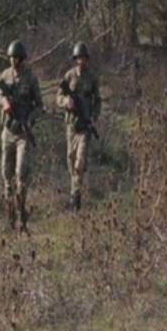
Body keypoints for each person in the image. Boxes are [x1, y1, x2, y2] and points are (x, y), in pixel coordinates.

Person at [0, 40, 43, 230]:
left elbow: (40, 106)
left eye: (17, 58)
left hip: (23, 133)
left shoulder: (31, 78)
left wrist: (30, 120)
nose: (14, 61)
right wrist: (3, 103)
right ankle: (9, 217)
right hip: (8, 131)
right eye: (11, 57)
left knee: (21, 175)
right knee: (7, 175)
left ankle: (21, 215)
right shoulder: (5, 76)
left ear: (22, 59)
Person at [56, 42, 101, 211]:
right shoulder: (69, 76)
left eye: (84, 58)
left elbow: (98, 101)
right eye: (79, 58)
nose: (81, 61)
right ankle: (74, 192)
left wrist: (94, 116)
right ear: (75, 59)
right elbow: (58, 96)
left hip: (85, 126)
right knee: (71, 159)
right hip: (71, 126)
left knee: (80, 162)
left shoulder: (92, 78)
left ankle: (76, 197)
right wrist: (66, 102)